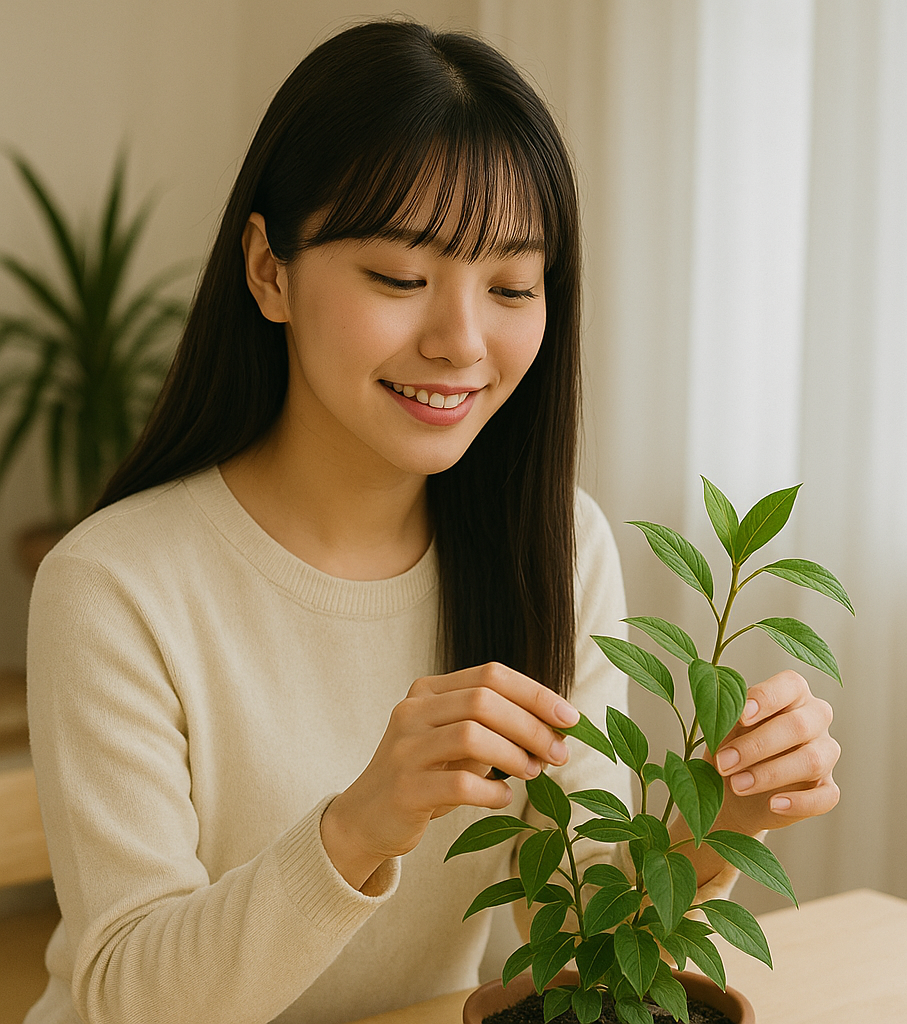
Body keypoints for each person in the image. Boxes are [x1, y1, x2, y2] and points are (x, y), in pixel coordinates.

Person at [24, 19, 840, 1024]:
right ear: (269, 270)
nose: (461, 341)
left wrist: (722, 818)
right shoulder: (112, 584)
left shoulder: (554, 545)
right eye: (401, 279)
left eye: (511, 287)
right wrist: (360, 824)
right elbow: (126, 995)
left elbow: (577, 922)